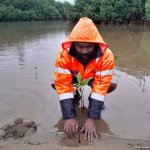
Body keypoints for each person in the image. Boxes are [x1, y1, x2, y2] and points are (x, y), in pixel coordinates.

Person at [52, 17, 117, 142]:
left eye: (88, 47)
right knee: (57, 85)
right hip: (74, 77)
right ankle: (75, 96)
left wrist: (92, 118)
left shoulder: (107, 55)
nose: (84, 51)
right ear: (74, 43)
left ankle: (95, 105)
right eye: (80, 46)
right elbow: (63, 84)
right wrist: (69, 117)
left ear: (95, 44)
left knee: (109, 86)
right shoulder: (63, 54)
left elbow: (101, 85)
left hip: (93, 78)